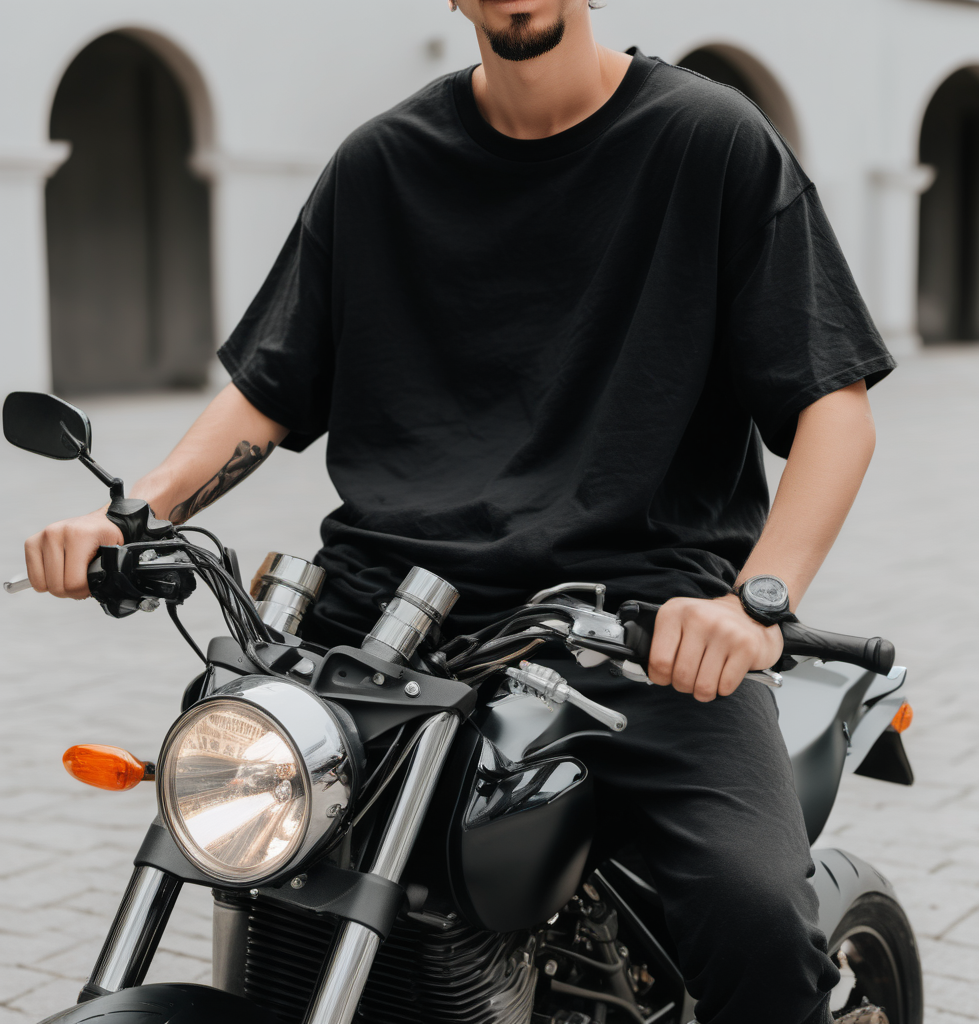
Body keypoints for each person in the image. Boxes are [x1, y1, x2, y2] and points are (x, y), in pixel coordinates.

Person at [24, 2, 894, 1022]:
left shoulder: (711, 141)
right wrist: (136, 515)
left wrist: (754, 603)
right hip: (375, 630)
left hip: (638, 633)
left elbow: (832, 409)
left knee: (755, 923)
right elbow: (269, 390)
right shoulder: (381, 162)